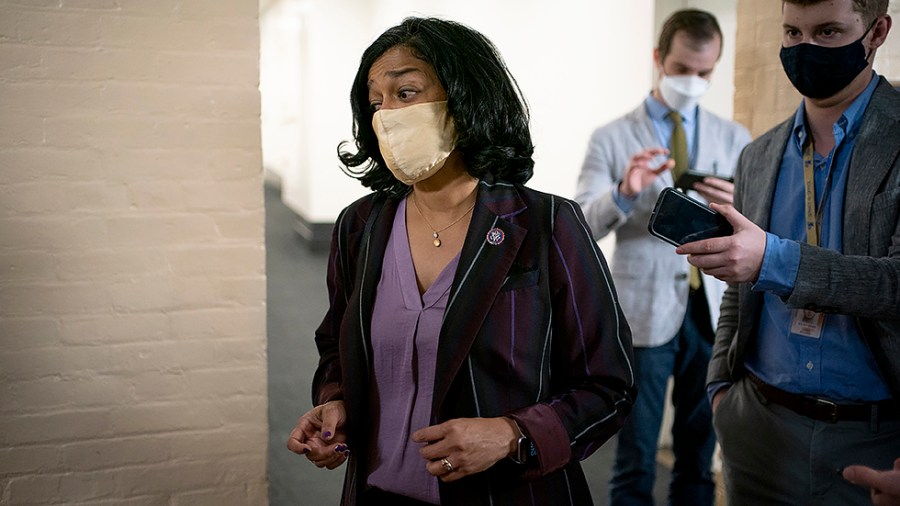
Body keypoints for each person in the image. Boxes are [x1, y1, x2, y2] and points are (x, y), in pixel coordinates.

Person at [285, 17, 637, 506]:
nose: (386, 114)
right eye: (375, 102)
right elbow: (335, 345)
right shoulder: (360, 226)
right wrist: (334, 402)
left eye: (405, 93)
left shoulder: (546, 223)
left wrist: (513, 434)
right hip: (377, 494)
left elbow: (609, 385)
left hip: (508, 496)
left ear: (465, 98)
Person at [675, 0, 900, 504]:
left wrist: (774, 260)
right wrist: (721, 393)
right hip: (758, 425)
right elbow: (739, 293)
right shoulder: (758, 156)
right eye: (793, 32)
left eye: (828, 32)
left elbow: (895, 283)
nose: (806, 49)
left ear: (877, 31)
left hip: (875, 436)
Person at [574, 9, 750, 506]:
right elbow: (583, 224)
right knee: (636, 452)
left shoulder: (734, 138)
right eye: (681, 69)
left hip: (714, 313)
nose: (692, 82)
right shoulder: (610, 137)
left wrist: (736, 205)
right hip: (643, 311)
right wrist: (624, 192)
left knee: (699, 454)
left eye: (704, 73)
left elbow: (756, 227)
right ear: (658, 59)